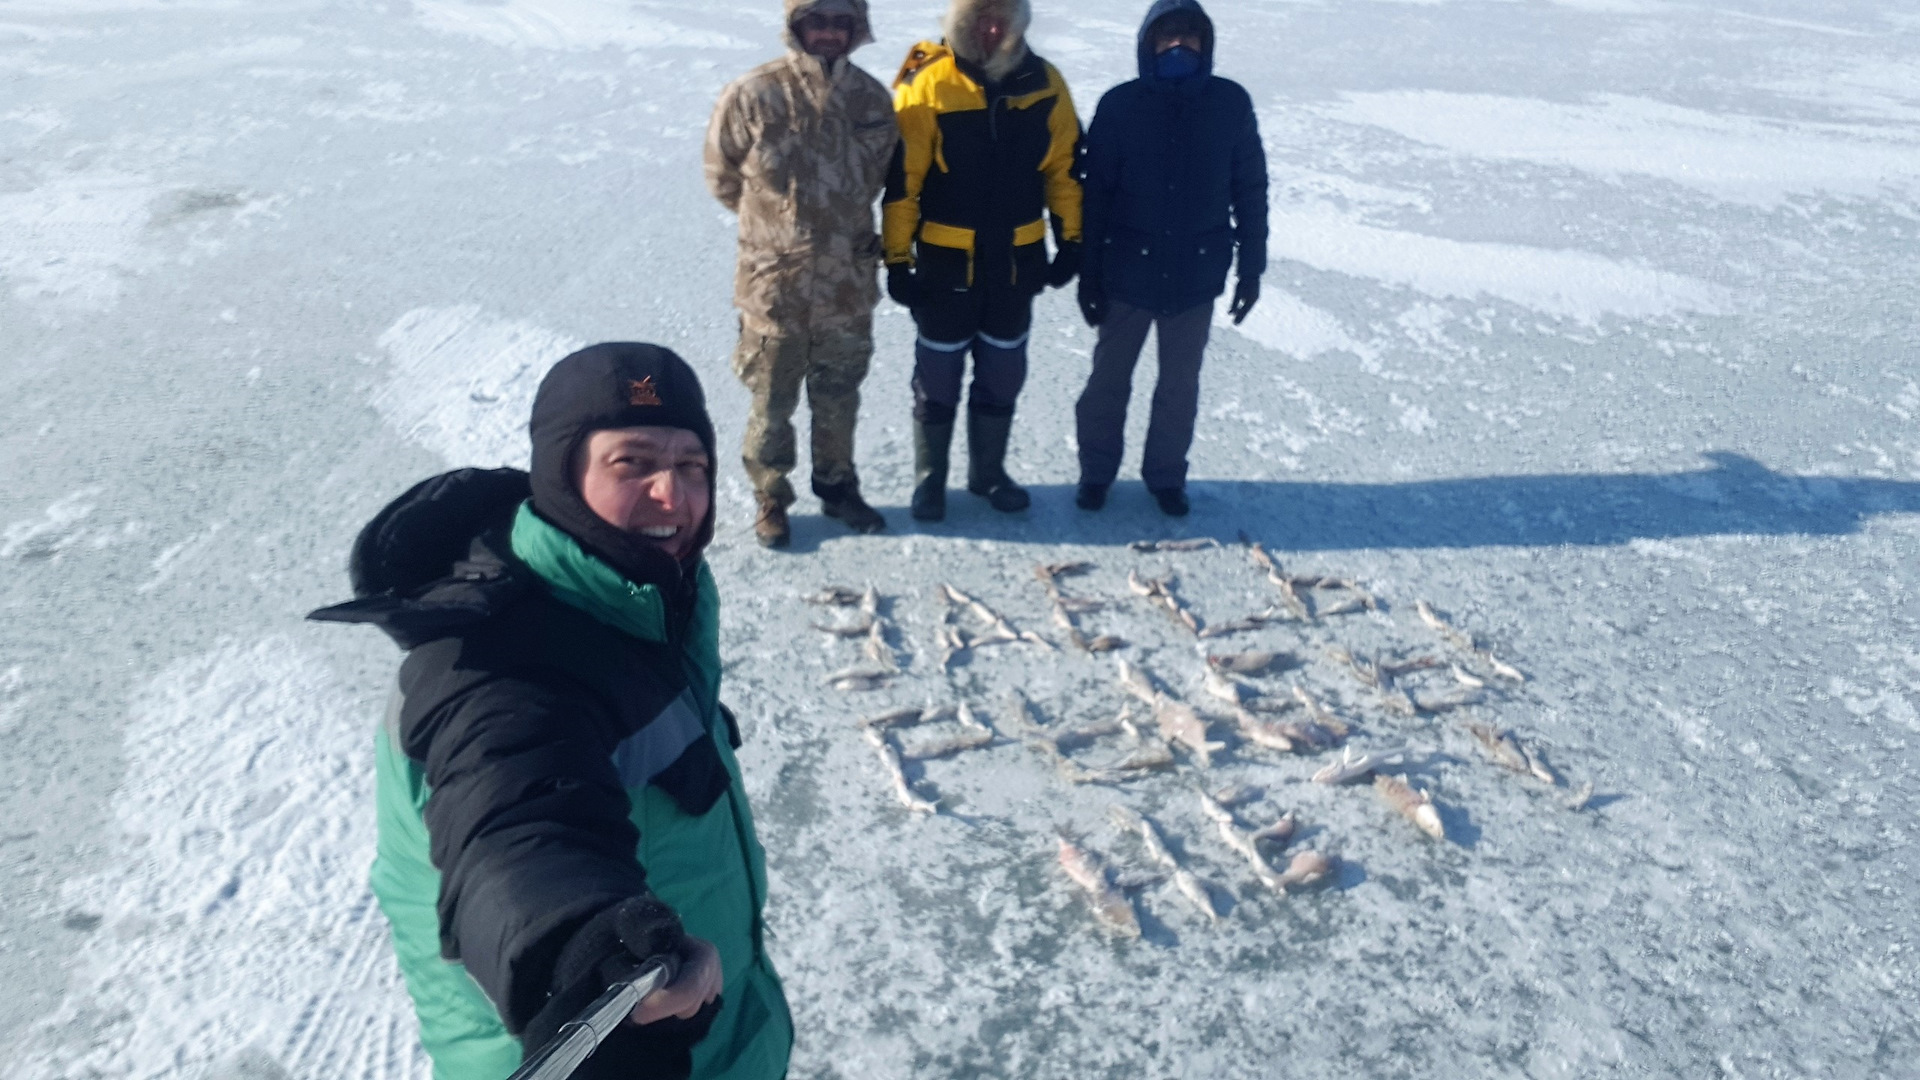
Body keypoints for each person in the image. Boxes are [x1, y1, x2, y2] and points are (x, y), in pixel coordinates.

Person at [310, 344, 791, 1080]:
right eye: (632, 463)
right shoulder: (499, 661)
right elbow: (515, 817)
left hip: (714, 1043)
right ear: (562, 476)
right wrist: (584, 957)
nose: (673, 494)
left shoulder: (636, 601)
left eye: (691, 466)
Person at [705, 0, 899, 548]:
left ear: (856, 28)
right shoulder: (753, 93)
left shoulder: (871, 99)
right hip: (776, 286)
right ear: (796, 26)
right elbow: (722, 177)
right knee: (772, 401)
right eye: (818, 21)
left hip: (846, 283)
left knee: (839, 395)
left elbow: (884, 177)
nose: (830, 33)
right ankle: (771, 497)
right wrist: (774, 231)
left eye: (842, 22)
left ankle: (837, 488)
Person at [882, 0, 1083, 521]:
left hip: (1017, 266)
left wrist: (1073, 239)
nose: (991, 28)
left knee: (1002, 373)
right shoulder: (927, 80)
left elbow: (1064, 170)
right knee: (938, 377)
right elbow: (904, 180)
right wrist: (897, 257)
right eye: (979, 17)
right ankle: (931, 481)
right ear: (959, 21)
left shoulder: (1046, 83)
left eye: (1003, 17)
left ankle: (988, 474)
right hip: (945, 268)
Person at [1073, 0, 1267, 517]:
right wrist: (1087, 275)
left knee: (1179, 386)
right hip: (1127, 273)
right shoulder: (1120, 105)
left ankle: (1165, 476)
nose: (1179, 47)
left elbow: (1249, 188)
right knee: (1108, 383)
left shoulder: (1230, 103)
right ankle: (1096, 473)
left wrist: (1252, 267)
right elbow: (1096, 196)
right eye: (1167, 38)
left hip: (1195, 273)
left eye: (1190, 38)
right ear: (1148, 45)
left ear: (1206, 45)